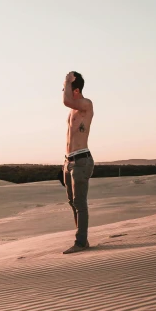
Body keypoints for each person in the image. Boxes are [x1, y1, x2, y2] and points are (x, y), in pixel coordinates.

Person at [62, 71, 94, 253]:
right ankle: (80, 239)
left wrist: (68, 80)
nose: (63, 90)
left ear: (76, 90)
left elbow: (65, 100)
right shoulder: (72, 110)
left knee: (80, 203)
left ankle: (81, 242)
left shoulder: (85, 104)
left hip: (82, 160)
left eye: (66, 88)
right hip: (69, 161)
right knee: (72, 202)